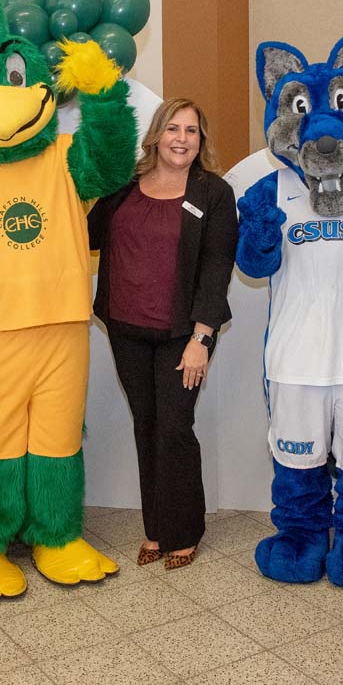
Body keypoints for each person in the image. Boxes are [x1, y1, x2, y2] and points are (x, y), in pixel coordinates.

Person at [89, 98, 238, 570]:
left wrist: (203, 338)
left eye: (192, 131)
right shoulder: (122, 188)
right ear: (156, 135)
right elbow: (88, 235)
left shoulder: (212, 193)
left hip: (182, 334)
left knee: (174, 429)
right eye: (173, 128)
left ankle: (184, 530)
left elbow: (217, 267)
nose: (182, 139)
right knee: (146, 426)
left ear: (202, 140)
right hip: (125, 328)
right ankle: (154, 528)